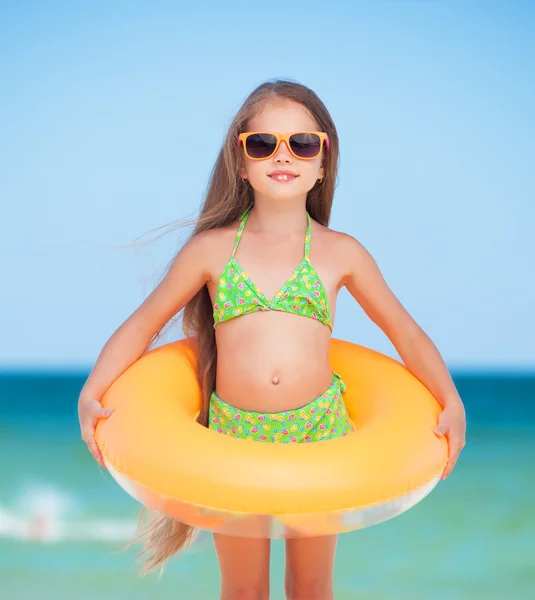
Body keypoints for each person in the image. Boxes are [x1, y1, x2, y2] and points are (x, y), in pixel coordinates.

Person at [78, 79, 467, 600]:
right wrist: (93, 392)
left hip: (318, 432)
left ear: (323, 162)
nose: (283, 156)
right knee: (243, 589)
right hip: (234, 435)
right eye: (262, 143)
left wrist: (451, 401)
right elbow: (142, 325)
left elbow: (405, 332)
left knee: (309, 586)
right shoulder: (211, 252)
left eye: (302, 143)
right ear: (240, 162)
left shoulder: (341, 253)